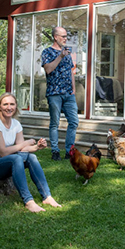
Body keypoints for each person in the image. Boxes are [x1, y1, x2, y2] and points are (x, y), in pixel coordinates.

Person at [0, 92, 62, 212]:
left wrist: (37, 147)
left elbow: (21, 150)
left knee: (31, 157)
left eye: (12, 104)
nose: (9, 107)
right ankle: (28, 201)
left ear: (16, 106)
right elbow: (3, 152)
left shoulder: (16, 124)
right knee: (16, 158)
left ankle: (47, 196)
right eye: (5, 104)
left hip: (3, 163)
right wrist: (25, 143)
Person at [42, 26, 79, 161]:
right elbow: (48, 70)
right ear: (55, 37)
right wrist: (60, 56)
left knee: (74, 122)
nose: (65, 39)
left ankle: (69, 151)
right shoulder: (47, 52)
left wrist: (73, 89)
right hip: (54, 93)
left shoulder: (67, 53)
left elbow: (71, 71)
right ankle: (55, 151)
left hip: (69, 94)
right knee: (54, 123)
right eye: (63, 36)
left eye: (66, 36)